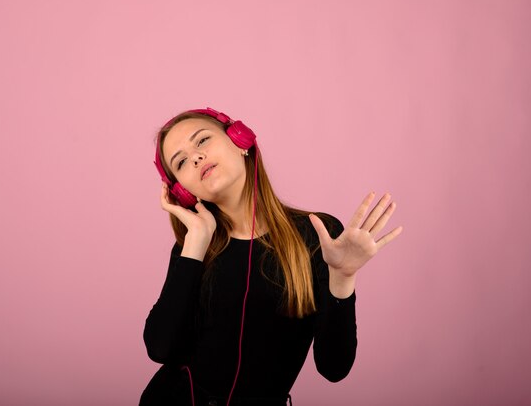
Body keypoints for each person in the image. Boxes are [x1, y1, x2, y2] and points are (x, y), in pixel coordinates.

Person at [140, 108, 402, 406]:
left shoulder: (317, 235)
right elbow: (160, 348)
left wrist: (343, 277)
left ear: (240, 141)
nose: (196, 157)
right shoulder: (192, 247)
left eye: (202, 141)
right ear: (183, 192)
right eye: (182, 161)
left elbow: (334, 367)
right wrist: (196, 244)